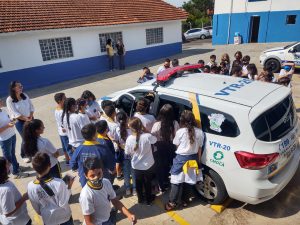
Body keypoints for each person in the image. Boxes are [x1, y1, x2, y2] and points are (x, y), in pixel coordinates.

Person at [165, 110, 204, 210]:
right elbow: (199, 149)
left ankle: (172, 203)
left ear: (182, 120)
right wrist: (198, 162)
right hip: (194, 159)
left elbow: (177, 146)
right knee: (189, 180)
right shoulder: (200, 132)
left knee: (176, 182)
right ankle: (185, 201)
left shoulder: (180, 132)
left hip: (181, 159)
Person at [79, 157, 136, 225]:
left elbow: (115, 201)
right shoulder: (86, 195)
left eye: (99, 173)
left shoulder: (106, 182)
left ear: (102, 171)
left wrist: (129, 214)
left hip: (108, 219)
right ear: (86, 176)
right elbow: (89, 222)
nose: (96, 177)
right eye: (92, 175)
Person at [28, 153, 74, 225]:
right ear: (49, 165)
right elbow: (63, 203)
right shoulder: (59, 182)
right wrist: (69, 187)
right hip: (64, 217)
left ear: (34, 168)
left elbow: (36, 208)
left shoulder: (30, 186)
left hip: (48, 218)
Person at [125, 117, 157, 205]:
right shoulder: (147, 136)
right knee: (148, 183)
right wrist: (146, 130)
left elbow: (127, 152)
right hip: (148, 165)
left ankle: (140, 199)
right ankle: (148, 200)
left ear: (130, 128)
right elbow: (155, 140)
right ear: (141, 126)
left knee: (138, 183)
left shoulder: (129, 139)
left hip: (136, 166)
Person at [151, 104, 179, 192]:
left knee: (160, 167)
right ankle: (168, 181)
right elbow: (177, 137)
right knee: (169, 165)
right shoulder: (175, 123)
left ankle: (161, 185)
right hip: (171, 147)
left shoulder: (157, 125)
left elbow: (152, 137)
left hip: (159, 148)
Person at [6, 81, 34, 163]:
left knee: (32, 136)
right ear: (13, 88)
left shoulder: (25, 95)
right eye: (19, 86)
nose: (21, 87)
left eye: (21, 86)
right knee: (25, 138)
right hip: (20, 121)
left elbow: (31, 106)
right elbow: (14, 113)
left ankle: (32, 151)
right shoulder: (10, 100)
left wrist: (31, 116)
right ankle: (24, 154)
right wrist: (26, 119)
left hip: (30, 118)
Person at [0, 100, 28, 178]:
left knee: (12, 154)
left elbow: (8, 120)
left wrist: (12, 120)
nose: (1, 101)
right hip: (5, 139)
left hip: (12, 135)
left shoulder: (3, 110)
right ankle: (14, 173)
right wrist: (8, 126)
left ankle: (16, 167)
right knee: (8, 157)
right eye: (0, 101)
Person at [0, 157, 31, 225]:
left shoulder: (4, 183)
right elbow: (8, 212)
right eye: (7, 164)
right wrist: (23, 198)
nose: (10, 164)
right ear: (3, 170)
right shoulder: (6, 190)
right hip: (19, 221)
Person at [115, 111, 136, 196]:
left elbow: (117, 141)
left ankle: (127, 188)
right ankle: (135, 189)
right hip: (133, 152)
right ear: (127, 118)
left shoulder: (117, 129)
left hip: (124, 153)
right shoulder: (131, 128)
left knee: (126, 171)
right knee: (133, 171)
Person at [54, 93, 72, 165]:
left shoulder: (58, 108)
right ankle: (74, 164)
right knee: (69, 149)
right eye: (64, 98)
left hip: (61, 132)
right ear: (59, 101)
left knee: (65, 148)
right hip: (65, 133)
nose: (66, 99)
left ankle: (67, 161)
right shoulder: (60, 111)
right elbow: (62, 123)